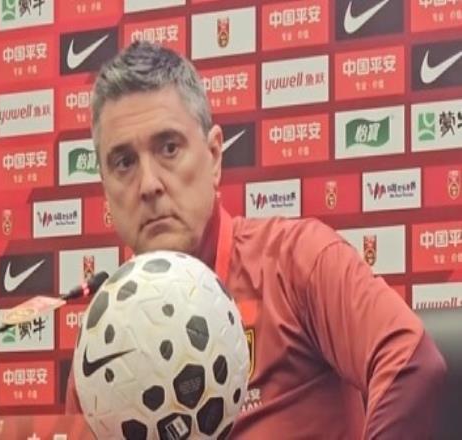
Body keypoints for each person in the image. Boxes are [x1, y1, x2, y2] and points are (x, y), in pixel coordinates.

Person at [65, 41, 446, 439]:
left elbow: (411, 363)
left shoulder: (296, 261)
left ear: (214, 156)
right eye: (124, 162)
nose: (149, 184)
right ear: (105, 188)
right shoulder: (102, 344)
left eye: (169, 148)